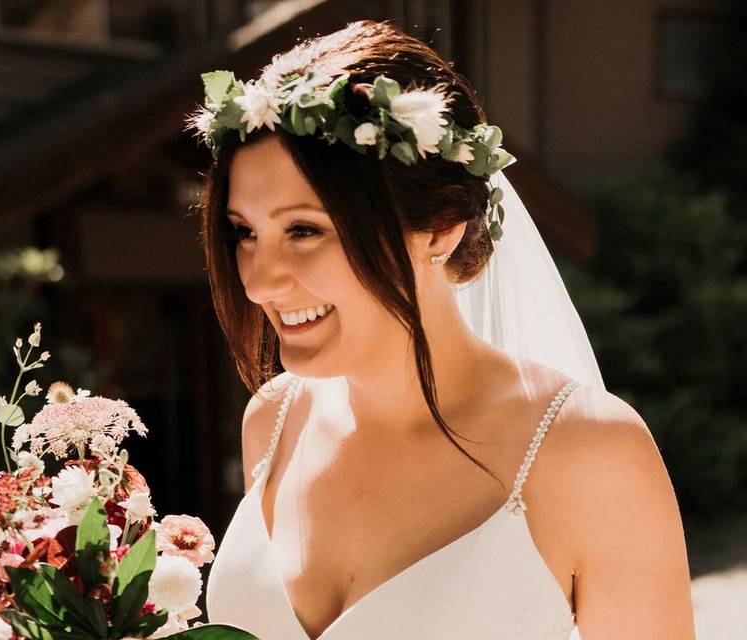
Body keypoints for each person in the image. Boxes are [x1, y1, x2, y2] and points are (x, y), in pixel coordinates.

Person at [185, 19, 694, 640]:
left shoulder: (590, 452)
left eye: (304, 231)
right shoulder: (272, 423)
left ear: (443, 226)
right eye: (244, 232)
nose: (260, 283)